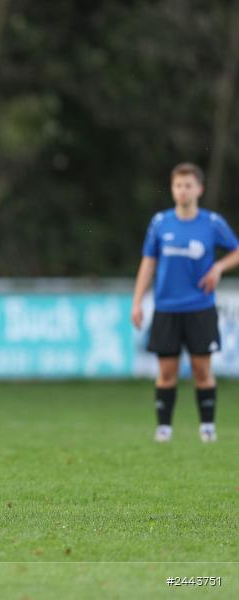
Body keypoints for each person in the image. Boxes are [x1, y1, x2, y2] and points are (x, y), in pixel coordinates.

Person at [131, 162, 239, 443]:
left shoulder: (212, 223)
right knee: (166, 372)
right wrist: (137, 301)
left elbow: (236, 251)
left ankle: (207, 427)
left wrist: (218, 268)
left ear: (199, 189)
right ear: (172, 189)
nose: (182, 191)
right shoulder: (160, 222)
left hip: (200, 308)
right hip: (166, 308)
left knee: (202, 371)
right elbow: (148, 262)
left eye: (188, 185)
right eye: (178, 185)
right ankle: (164, 429)